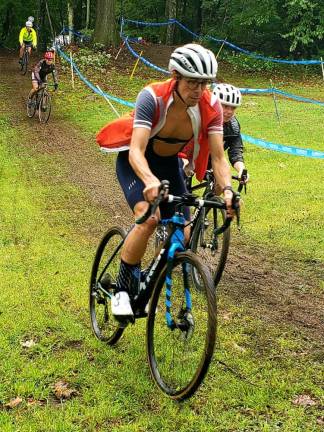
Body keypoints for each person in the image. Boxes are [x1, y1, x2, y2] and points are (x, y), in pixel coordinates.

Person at [96, 43, 236, 320]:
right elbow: (136, 150)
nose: (198, 91)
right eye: (192, 83)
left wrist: (229, 190)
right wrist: (149, 180)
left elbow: (219, 158)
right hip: (136, 161)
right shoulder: (152, 97)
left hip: (170, 164)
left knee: (181, 236)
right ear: (176, 76)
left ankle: (145, 278)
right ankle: (123, 291)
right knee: (148, 218)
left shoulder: (210, 107)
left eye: (204, 84)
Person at [212, 83, 248, 181]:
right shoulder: (199, 118)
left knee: (221, 182)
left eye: (233, 108)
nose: (229, 111)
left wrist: (241, 169)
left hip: (213, 161)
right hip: (191, 159)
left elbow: (235, 153)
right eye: (225, 106)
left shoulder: (233, 127)